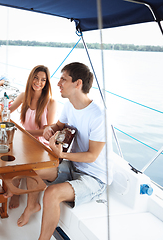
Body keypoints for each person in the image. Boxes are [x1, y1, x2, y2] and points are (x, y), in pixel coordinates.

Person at [19, 62, 112, 239]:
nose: (58, 83)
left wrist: (61, 155)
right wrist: (50, 129)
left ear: (78, 84)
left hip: (95, 177)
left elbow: (92, 156)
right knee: (32, 169)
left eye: (63, 79)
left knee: (51, 194)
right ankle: (31, 206)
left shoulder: (98, 115)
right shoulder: (69, 105)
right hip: (73, 166)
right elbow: (58, 126)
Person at [3, 65, 57, 210]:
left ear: (47, 83)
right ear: (31, 78)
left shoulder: (50, 103)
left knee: (23, 165)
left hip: (41, 145)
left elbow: (48, 131)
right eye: (36, 78)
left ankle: (22, 198)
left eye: (43, 80)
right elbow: (7, 113)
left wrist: (24, 132)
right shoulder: (23, 96)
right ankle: (15, 191)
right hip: (25, 141)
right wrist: (4, 110)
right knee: (7, 158)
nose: (39, 82)